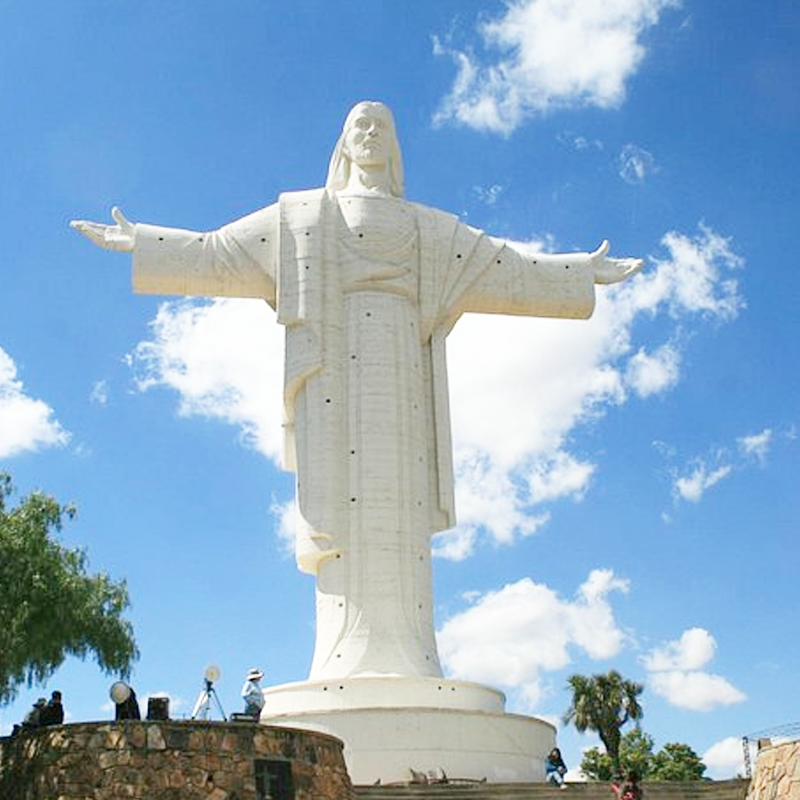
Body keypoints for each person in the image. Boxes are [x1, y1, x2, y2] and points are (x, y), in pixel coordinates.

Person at [72, 101, 642, 683]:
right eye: (358, 127)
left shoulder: (429, 226)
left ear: (394, 146)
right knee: (342, 516)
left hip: (401, 370)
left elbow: (508, 265)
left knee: (400, 511)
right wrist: (143, 243)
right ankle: (342, 656)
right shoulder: (302, 215)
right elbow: (220, 251)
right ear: (343, 143)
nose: (369, 134)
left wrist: (578, 272)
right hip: (334, 378)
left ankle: (412, 657)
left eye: (381, 127)